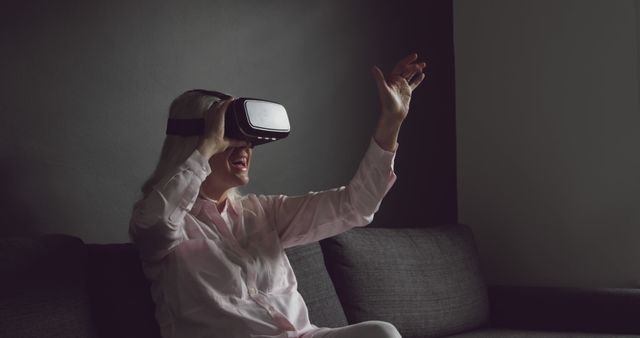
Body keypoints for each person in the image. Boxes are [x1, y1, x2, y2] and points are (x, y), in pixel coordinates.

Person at [129, 53, 426, 338]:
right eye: (229, 136)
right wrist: (206, 148)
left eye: (248, 140)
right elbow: (156, 224)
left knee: (380, 332)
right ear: (198, 142)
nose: (244, 147)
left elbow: (355, 206)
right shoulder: (166, 224)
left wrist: (391, 121)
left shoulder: (262, 213)